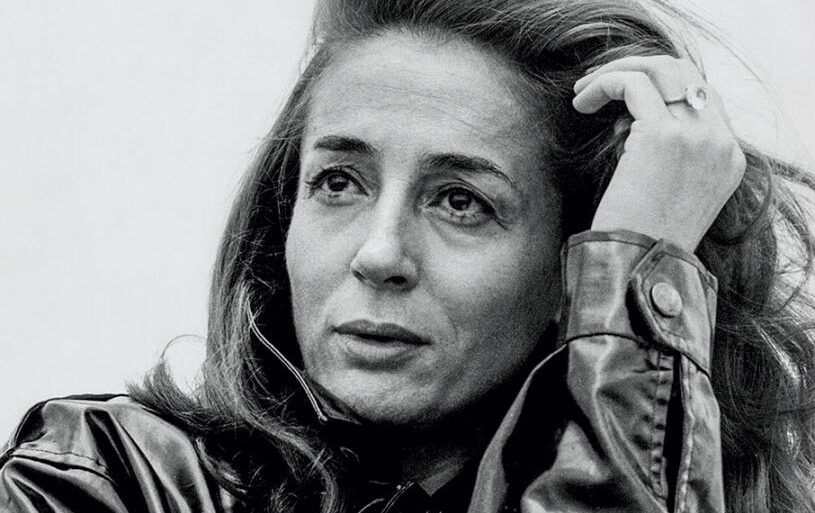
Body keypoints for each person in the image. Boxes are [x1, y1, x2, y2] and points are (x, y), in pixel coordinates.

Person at [2, 0, 814, 512]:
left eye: (460, 201)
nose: (379, 252)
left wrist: (639, 282)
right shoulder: (103, 476)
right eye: (338, 182)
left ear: (576, 269)